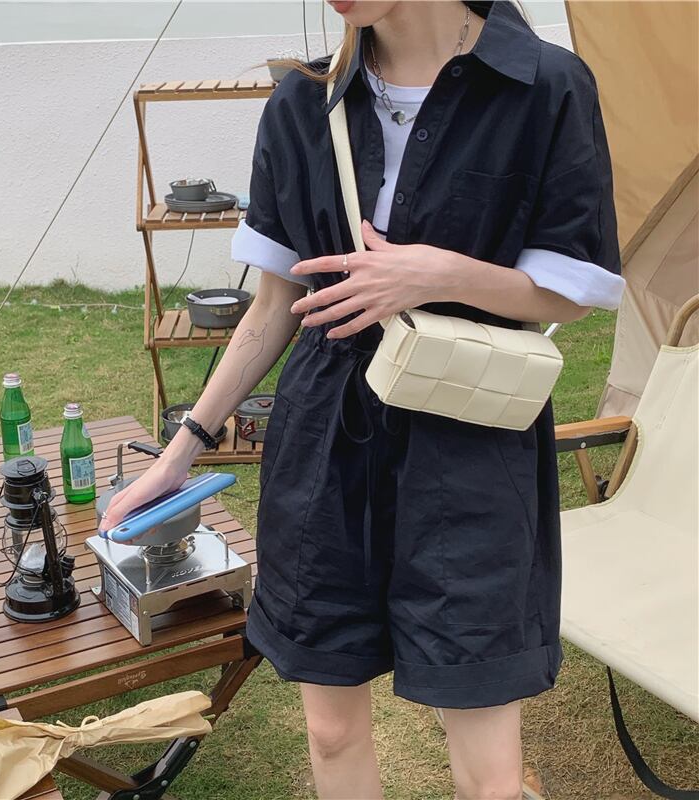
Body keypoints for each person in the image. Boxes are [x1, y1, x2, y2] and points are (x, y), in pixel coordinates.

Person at [100, 2, 626, 797]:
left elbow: (571, 290)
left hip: (470, 441)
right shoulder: (303, 102)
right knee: (331, 729)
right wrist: (181, 453)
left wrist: (436, 274)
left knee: (487, 759)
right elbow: (274, 305)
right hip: (325, 440)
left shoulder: (544, 85)